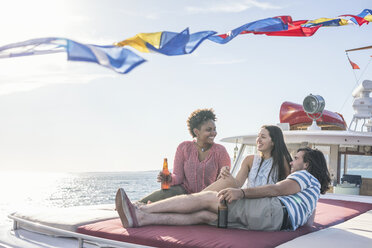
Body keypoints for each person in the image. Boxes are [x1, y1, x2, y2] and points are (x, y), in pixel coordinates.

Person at [115, 147, 331, 231]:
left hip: (271, 211)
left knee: (207, 198)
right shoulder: (314, 192)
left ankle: (142, 211)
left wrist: (242, 192)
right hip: (275, 223)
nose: (292, 164)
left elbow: (277, 190)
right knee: (204, 214)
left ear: (307, 164)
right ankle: (144, 219)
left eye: (296, 159)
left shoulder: (303, 175)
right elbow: (309, 222)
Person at [138, 108, 231, 204]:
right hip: (185, 194)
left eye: (214, 129)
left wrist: (225, 171)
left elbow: (224, 180)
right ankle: (135, 206)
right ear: (196, 132)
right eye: (209, 130)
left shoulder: (220, 151)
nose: (214, 133)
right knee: (169, 191)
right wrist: (170, 178)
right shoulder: (184, 148)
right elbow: (178, 177)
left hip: (209, 197)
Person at [203, 125, 292, 192]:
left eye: (263, 137)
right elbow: (237, 184)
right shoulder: (249, 160)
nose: (258, 140)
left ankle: (194, 200)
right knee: (226, 180)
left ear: (273, 142)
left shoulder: (283, 161)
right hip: (247, 198)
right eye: (258, 136)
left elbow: (288, 188)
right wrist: (226, 173)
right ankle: (196, 199)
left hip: (268, 203)